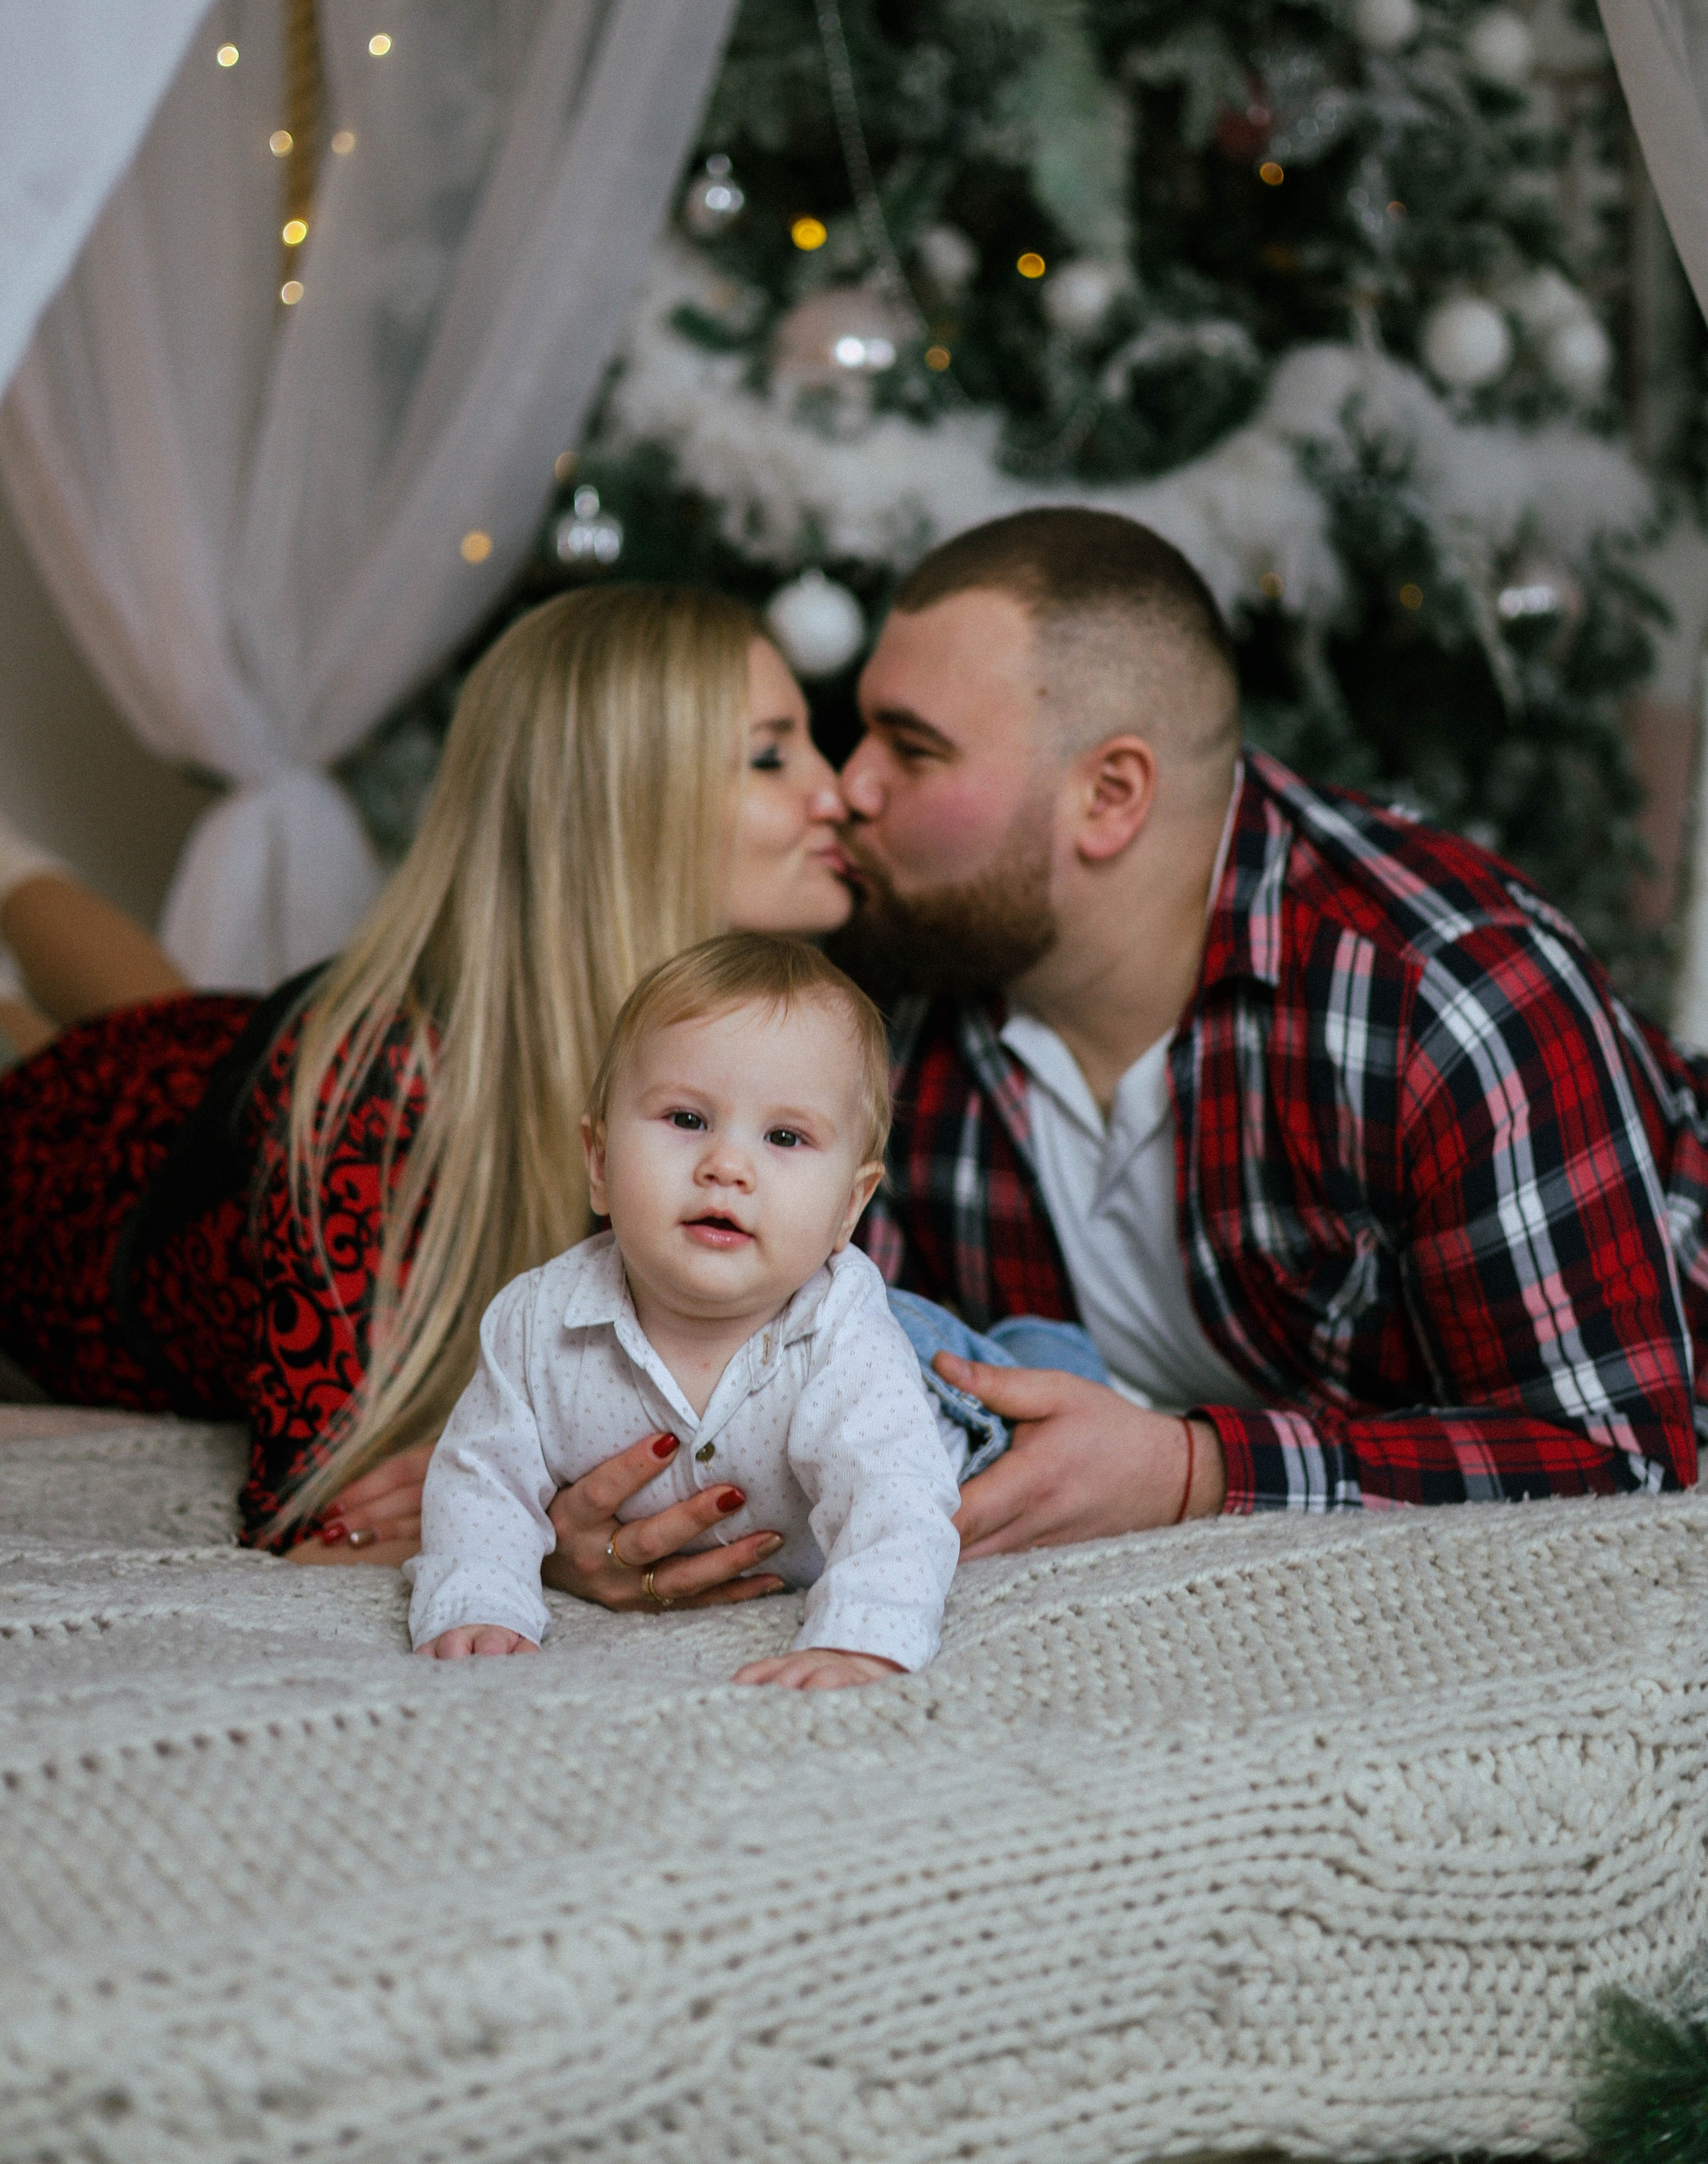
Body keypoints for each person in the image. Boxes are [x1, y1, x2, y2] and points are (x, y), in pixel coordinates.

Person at [838, 506, 1707, 1556]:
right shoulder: (916, 984)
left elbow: (1622, 1464)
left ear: (1110, 795)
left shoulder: (1442, 992)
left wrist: (1192, 1473)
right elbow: (809, 1351)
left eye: (913, 749)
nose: (850, 785)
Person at [0, 586, 869, 1613]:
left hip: (218, 1057)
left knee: (156, 1014)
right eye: (771, 756)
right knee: (65, 1058)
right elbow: (317, 1519)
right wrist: (541, 1535)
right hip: (83, 1173)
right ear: (624, 803)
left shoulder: (789, 1059)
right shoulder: (381, 1101)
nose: (839, 793)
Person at [409, 934, 961, 1688]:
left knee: (1009, 1369)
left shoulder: (842, 1335)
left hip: (940, 1377)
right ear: (599, 1161)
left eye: (785, 1137)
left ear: (849, 1206)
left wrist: (860, 1640)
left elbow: (894, 1499)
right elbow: (481, 1480)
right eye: (687, 1120)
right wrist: (479, 1603)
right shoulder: (536, 1325)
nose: (727, 1167)